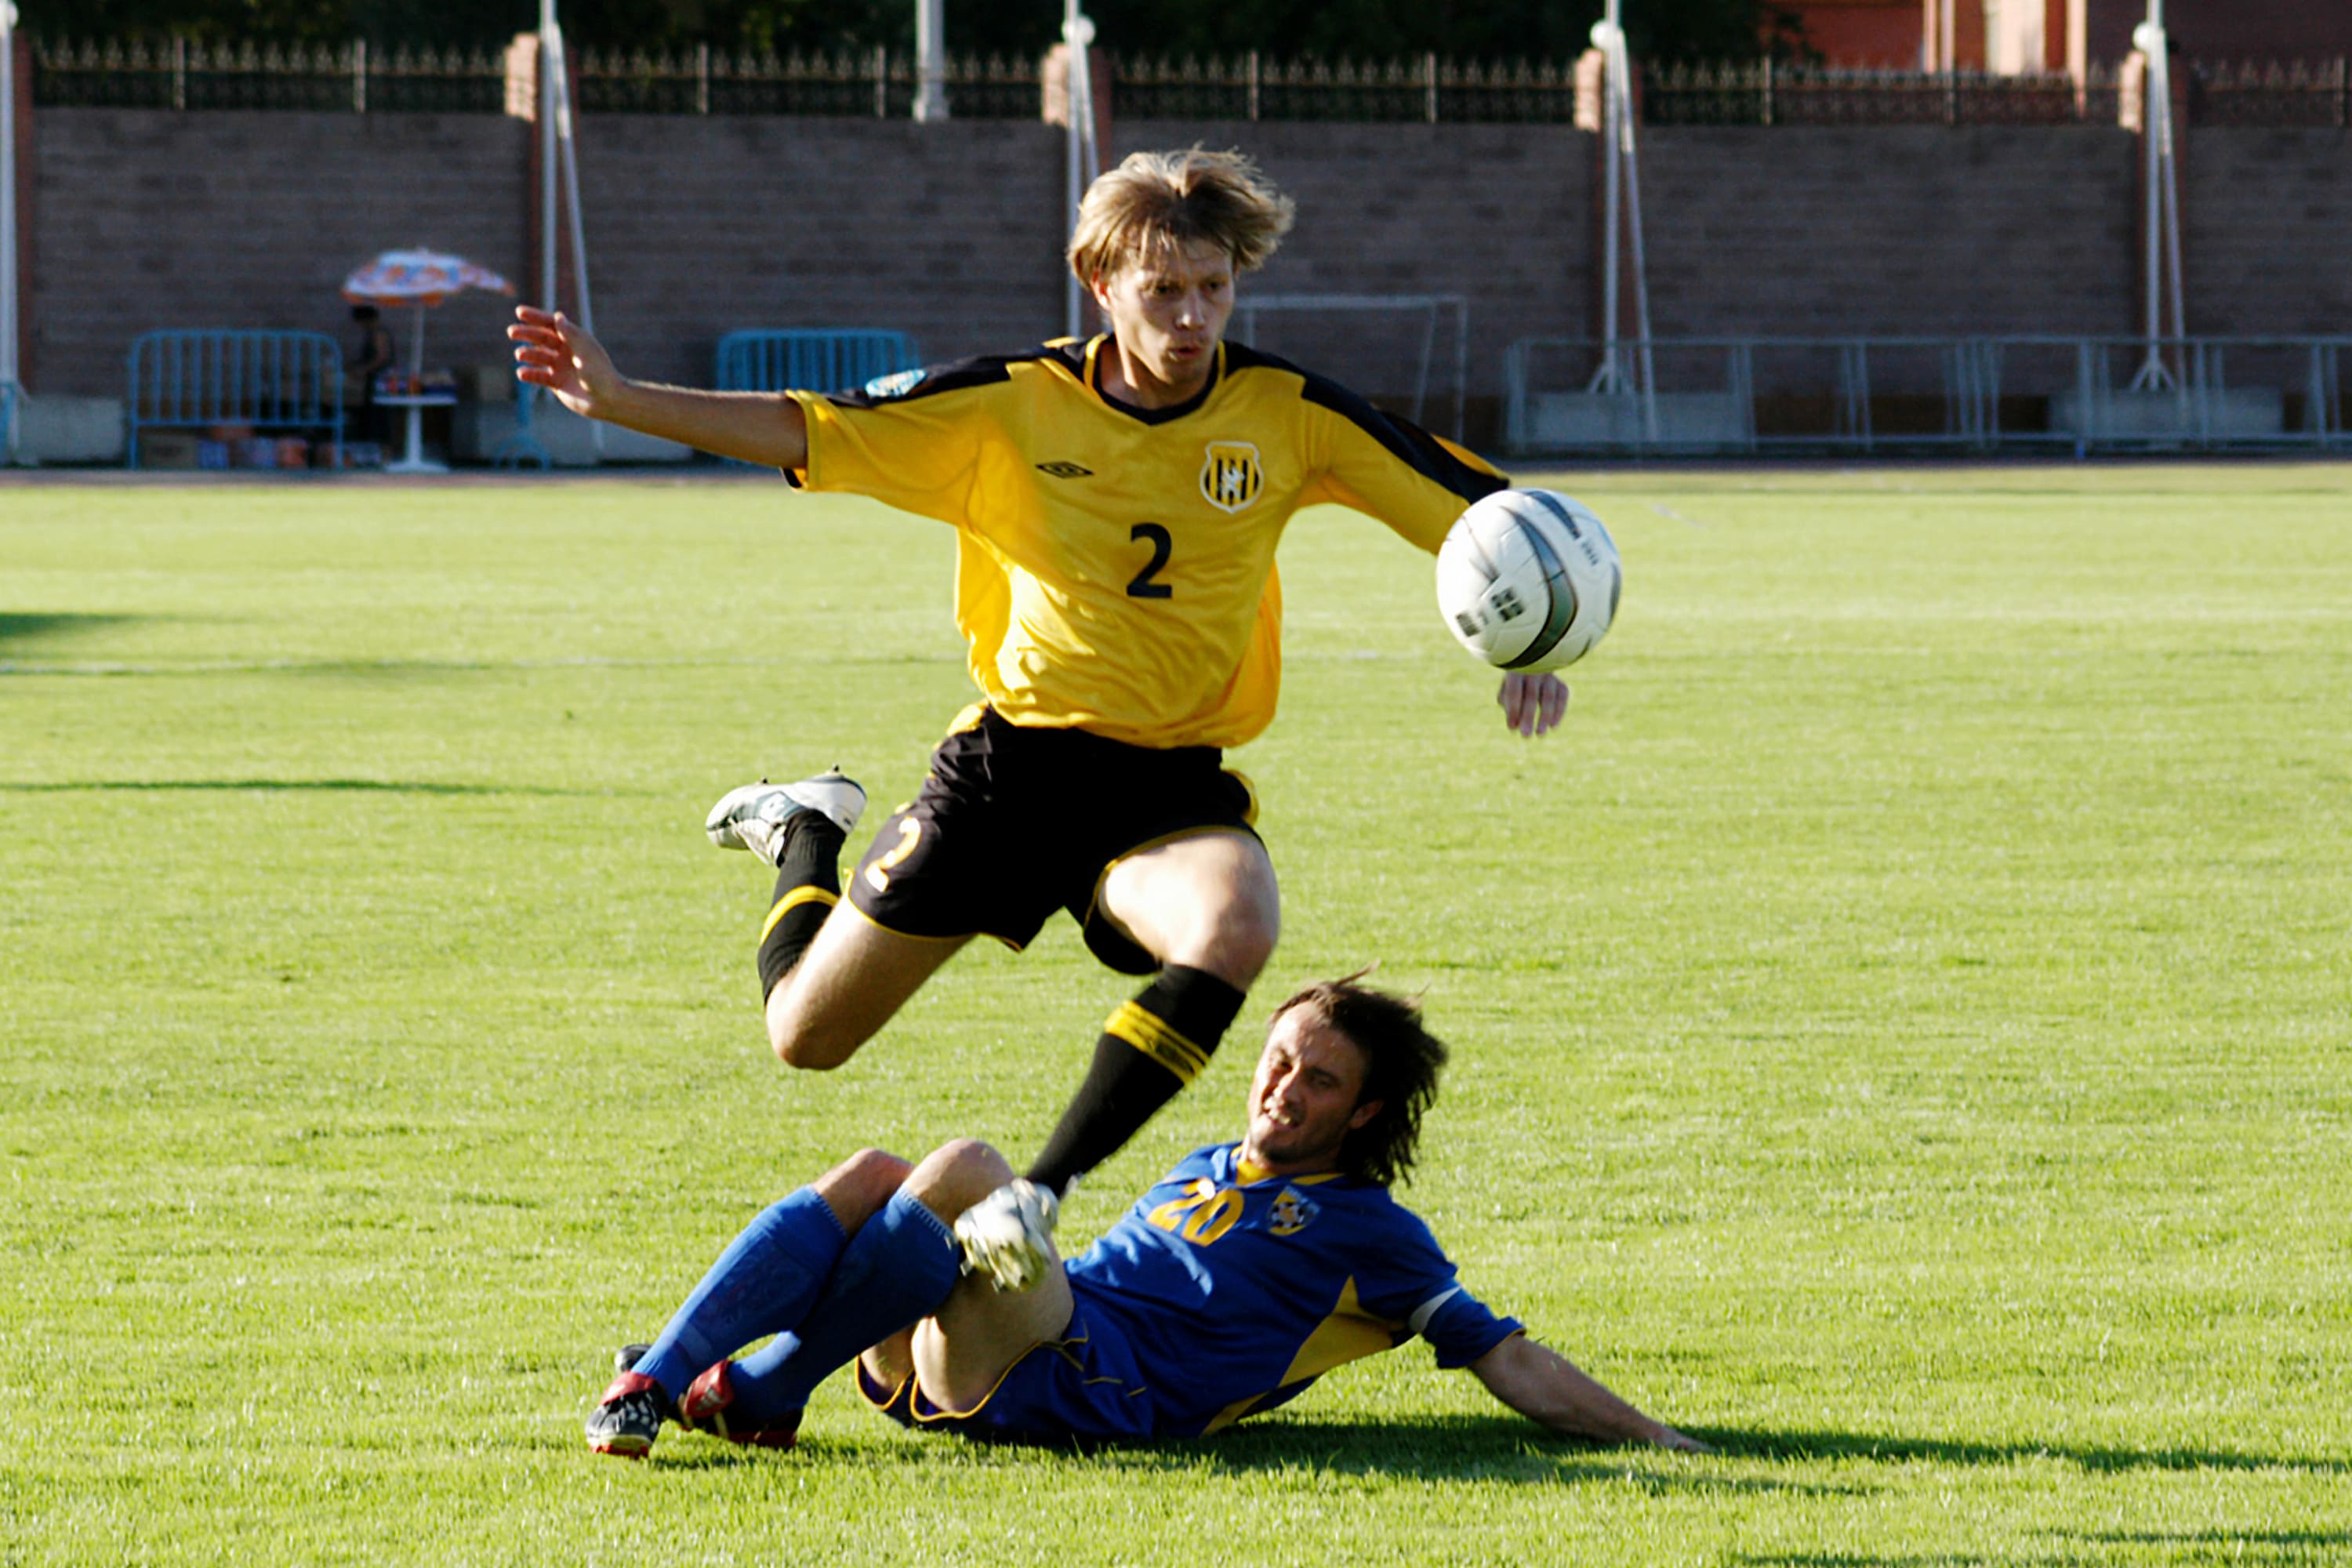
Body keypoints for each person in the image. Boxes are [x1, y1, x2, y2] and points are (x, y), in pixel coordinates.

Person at [510, 149, 1577, 1260]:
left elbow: (1482, 511)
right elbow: (809, 429)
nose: (1192, 315)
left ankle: (1040, 1192)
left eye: (1212, 287)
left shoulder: (1286, 412)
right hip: (1008, 778)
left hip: (1167, 788)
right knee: (804, 1038)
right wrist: (623, 399)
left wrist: (1530, 635)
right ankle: (804, 829)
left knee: (1236, 921)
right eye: (1164, 290)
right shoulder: (1011, 405)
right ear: (1100, 282)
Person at [585, 975, 1708, 1457]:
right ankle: (667, 1381)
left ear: (1363, 1111)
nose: (1283, 1087)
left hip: (1089, 1385)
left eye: (1318, 1080)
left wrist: (1660, 1441)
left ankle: (766, 1380)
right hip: (1001, 1341)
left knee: (972, 1165)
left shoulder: (1373, 1235)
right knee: (888, 1168)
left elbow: (1503, 1357)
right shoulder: (1208, 1158)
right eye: (1277, 1060)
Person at [348, 304, 397, 444]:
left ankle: (383, 449)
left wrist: (364, 369)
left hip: (381, 380)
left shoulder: (379, 333)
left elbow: (382, 357)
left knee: (380, 415)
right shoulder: (372, 333)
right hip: (373, 380)